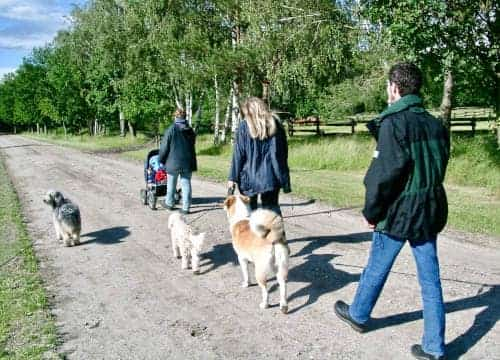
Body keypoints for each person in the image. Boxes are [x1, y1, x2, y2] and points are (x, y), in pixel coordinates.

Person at [334, 63, 450, 360]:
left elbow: (382, 176)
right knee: (430, 279)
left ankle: (359, 315)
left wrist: (372, 212)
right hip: (429, 207)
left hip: (400, 211)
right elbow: (438, 166)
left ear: (395, 88)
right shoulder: (435, 123)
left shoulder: (394, 122)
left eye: (389, 86)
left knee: (377, 265)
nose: (388, 90)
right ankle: (434, 347)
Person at [227, 97, 291, 214]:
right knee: (272, 211)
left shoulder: (243, 127)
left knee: (249, 213)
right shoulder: (275, 125)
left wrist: (232, 177)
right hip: (271, 176)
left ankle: (254, 232)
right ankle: (276, 232)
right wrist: (283, 177)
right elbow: (281, 154)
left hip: (248, 177)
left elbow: (238, 155)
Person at [159, 108, 197, 215]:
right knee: (186, 183)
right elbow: (192, 143)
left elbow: (164, 147)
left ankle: (169, 203)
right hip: (188, 162)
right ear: (185, 118)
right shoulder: (190, 130)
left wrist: (161, 159)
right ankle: (186, 208)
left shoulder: (171, 129)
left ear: (175, 117)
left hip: (173, 162)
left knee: (171, 183)